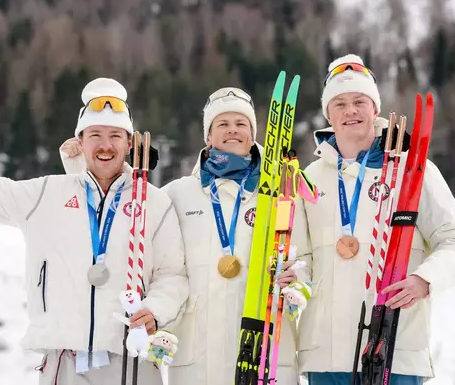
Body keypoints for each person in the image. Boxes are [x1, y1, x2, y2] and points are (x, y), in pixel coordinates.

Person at [0, 77, 189, 385]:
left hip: (131, 363)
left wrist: (154, 310)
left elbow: (173, 275)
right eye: (95, 134)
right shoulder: (47, 195)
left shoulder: (154, 204)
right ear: (80, 141)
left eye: (115, 135)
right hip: (63, 363)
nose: (105, 145)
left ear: (129, 143)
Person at [59, 87, 303, 384]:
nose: (232, 131)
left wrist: (297, 284)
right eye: (222, 125)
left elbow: (304, 261)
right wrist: (79, 169)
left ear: (253, 135)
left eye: (241, 124)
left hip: (263, 353)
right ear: (208, 137)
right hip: (196, 359)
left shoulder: (282, 193)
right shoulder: (176, 195)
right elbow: (122, 217)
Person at [292, 54, 455, 384]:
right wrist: (292, 276)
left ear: (375, 109)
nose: (351, 111)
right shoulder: (311, 177)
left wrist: (425, 280)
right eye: (341, 103)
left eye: (360, 101)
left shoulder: (412, 169)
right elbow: (301, 258)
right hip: (326, 356)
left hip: (395, 348)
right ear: (328, 114)